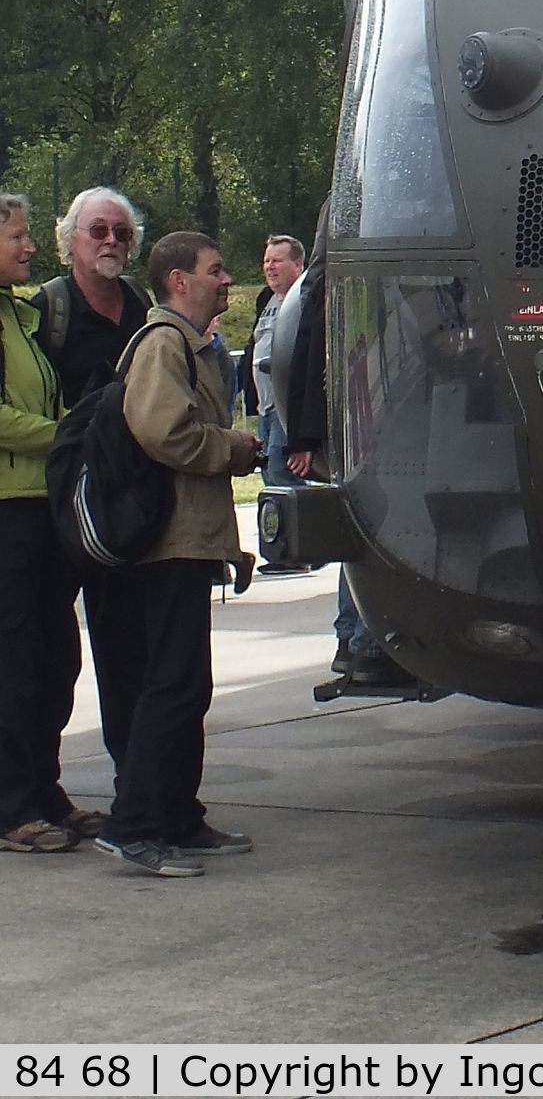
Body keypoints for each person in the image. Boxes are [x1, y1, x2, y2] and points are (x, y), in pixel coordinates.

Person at [90, 230, 261, 878]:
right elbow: (163, 430)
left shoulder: (189, 345)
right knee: (172, 684)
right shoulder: (163, 344)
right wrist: (231, 448)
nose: (226, 280)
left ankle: (177, 819)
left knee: (186, 685)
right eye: (214, 271)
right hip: (168, 545)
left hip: (187, 540)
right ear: (177, 281)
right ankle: (133, 825)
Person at [280, 221, 413, 689]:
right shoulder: (344, 291)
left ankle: (355, 639)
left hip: (354, 425)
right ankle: (365, 640)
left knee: (360, 527)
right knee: (373, 525)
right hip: (363, 426)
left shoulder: (324, 288)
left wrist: (303, 436)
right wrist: (304, 437)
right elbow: (308, 357)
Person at [0, 193, 91, 855]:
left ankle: (43, 790)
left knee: (55, 657)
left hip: (40, 509)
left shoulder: (19, 316)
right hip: (7, 512)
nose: (30, 247)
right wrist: (67, 435)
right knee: (17, 661)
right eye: (18, 237)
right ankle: (13, 806)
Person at [31, 187, 152, 407]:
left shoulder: (140, 301)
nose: (111, 240)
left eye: (122, 232)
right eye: (98, 230)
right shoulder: (48, 309)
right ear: (70, 239)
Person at [243, 234, 311, 576]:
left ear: (298, 264)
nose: (269, 266)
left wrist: (302, 434)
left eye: (277, 260)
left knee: (286, 475)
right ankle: (291, 548)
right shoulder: (266, 300)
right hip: (268, 408)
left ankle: (297, 551)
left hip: (289, 408)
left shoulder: (306, 300)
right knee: (272, 473)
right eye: (267, 260)